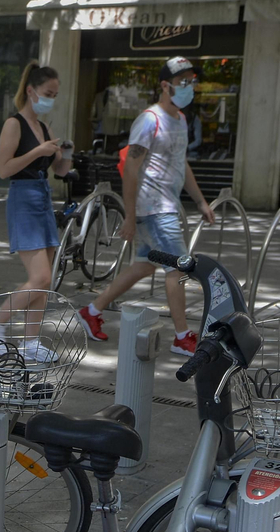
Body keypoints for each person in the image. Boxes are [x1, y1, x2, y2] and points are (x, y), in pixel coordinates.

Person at [77, 56, 216, 356]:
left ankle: (91, 310)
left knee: (143, 266)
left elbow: (182, 164)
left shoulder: (179, 120)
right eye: (183, 81)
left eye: (192, 80)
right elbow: (131, 169)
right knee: (178, 267)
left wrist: (201, 200)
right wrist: (130, 214)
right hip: (153, 209)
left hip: (164, 206)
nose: (189, 86)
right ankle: (182, 336)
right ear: (165, 85)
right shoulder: (149, 120)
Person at [0, 61, 74, 363]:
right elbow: (3, 170)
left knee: (46, 280)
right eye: (47, 92)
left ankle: (30, 342)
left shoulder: (43, 127)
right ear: (31, 91)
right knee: (39, 277)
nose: (51, 98)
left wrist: (65, 152)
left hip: (43, 198)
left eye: (54, 93)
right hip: (23, 198)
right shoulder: (14, 124)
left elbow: (61, 171)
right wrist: (37, 152)